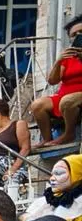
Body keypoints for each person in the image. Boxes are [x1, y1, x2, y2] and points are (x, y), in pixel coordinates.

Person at [28, 15, 82, 149]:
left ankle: (69, 134)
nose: (78, 36)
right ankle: (46, 139)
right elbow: (52, 81)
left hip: (76, 96)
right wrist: (59, 61)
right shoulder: (69, 57)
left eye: (81, 32)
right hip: (64, 95)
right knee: (37, 104)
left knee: (67, 101)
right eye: (74, 34)